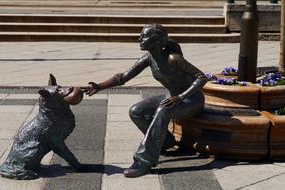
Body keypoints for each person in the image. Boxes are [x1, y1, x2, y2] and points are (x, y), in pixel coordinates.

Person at [82, 24, 208, 178]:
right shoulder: (149, 58)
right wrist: (99, 86)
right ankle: (166, 142)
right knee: (136, 111)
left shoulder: (173, 59)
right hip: (171, 97)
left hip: (191, 100)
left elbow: (201, 77)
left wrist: (179, 97)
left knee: (163, 110)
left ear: (157, 41)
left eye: (144, 36)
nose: (139, 39)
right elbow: (123, 77)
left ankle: (144, 160)